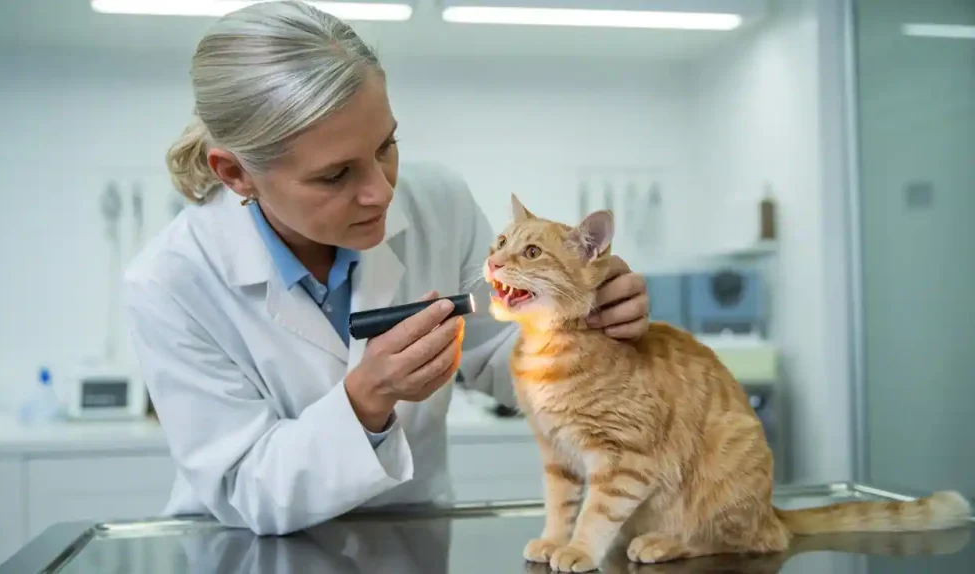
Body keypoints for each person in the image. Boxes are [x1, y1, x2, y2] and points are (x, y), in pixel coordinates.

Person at [124, 0, 650, 536]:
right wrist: (366, 400)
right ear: (236, 173)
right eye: (335, 176)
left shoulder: (438, 202)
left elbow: (499, 356)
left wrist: (584, 322)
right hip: (250, 549)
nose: (380, 191)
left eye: (386, 146)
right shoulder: (171, 281)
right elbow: (244, 488)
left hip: (408, 538)